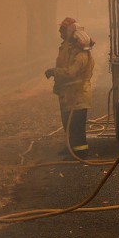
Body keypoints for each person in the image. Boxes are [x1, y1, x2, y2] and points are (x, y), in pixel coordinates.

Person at [45, 17, 95, 158]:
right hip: (68, 94)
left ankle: (80, 152)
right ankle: (71, 148)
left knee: (76, 126)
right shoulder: (67, 47)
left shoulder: (81, 54)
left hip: (77, 94)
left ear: (70, 32)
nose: (60, 32)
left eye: (62, 30)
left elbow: (71, 72)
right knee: (68, 124)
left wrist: (54, 72)